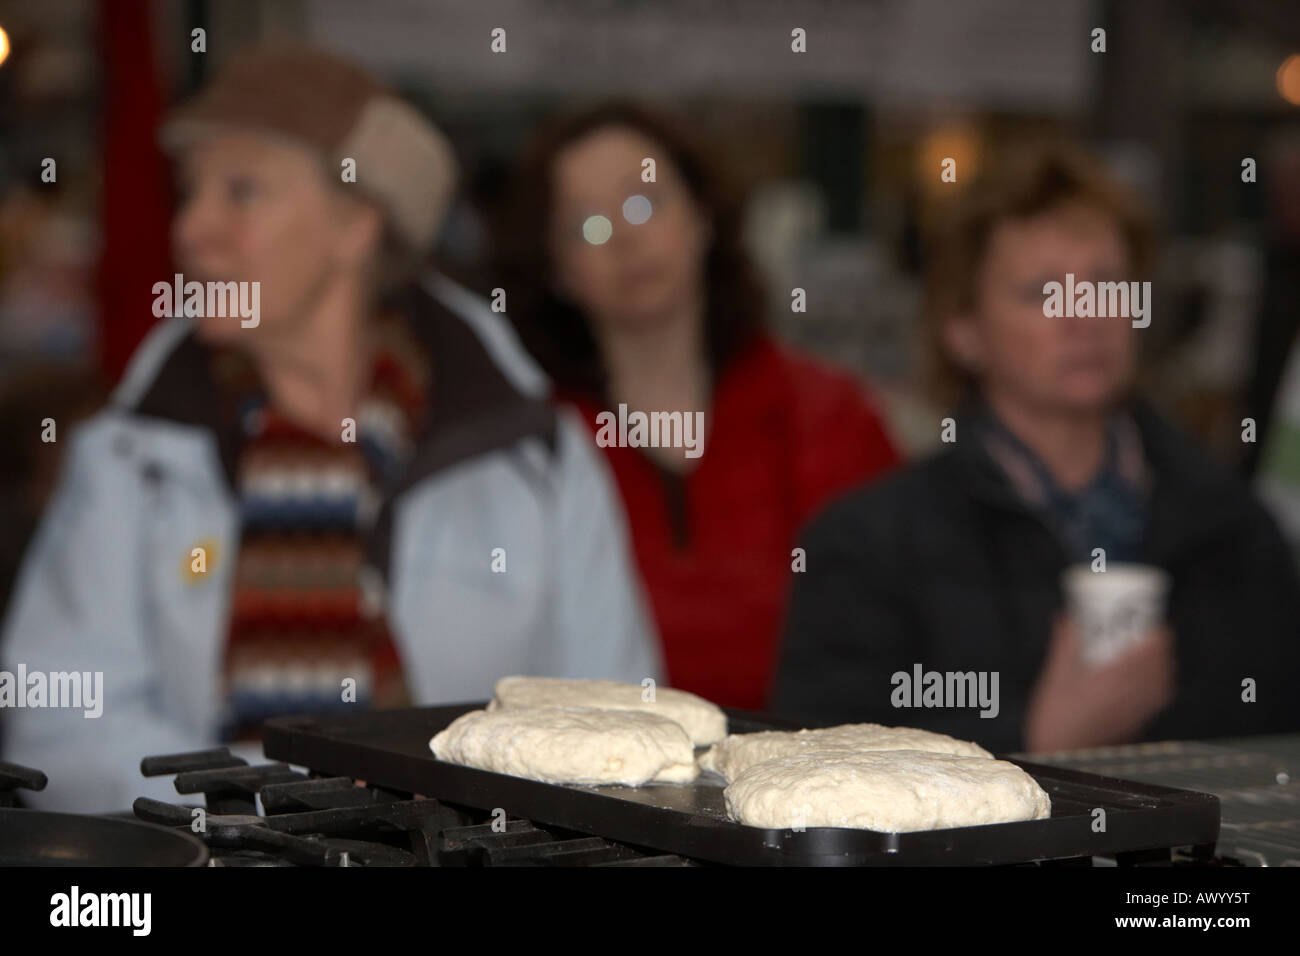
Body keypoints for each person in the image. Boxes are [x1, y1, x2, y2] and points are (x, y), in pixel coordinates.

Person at [0, 48, 660, 812]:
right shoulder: (132, 451)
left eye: (240, 191)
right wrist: (265, 810)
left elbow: (618, 726)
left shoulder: (530, 455)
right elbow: (56, 721)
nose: (192, 229)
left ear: (355, 224)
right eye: (190, 193)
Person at [775, 144, 1300, 754]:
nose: (1084, 315)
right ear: (964, 331)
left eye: (1105, 285)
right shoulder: (867, 547)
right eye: (1041, 292)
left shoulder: (1232, 527)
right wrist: (1033, 739)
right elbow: (818, 771)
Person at [494, 101, 900, 710]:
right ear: (556, 269)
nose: (625, 238)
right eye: (587, 226)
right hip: (596, 787)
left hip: (816, 780)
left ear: (703, 215)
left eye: (643, 203)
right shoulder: (528, 446)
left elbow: (899, 631)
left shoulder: (833, 416)